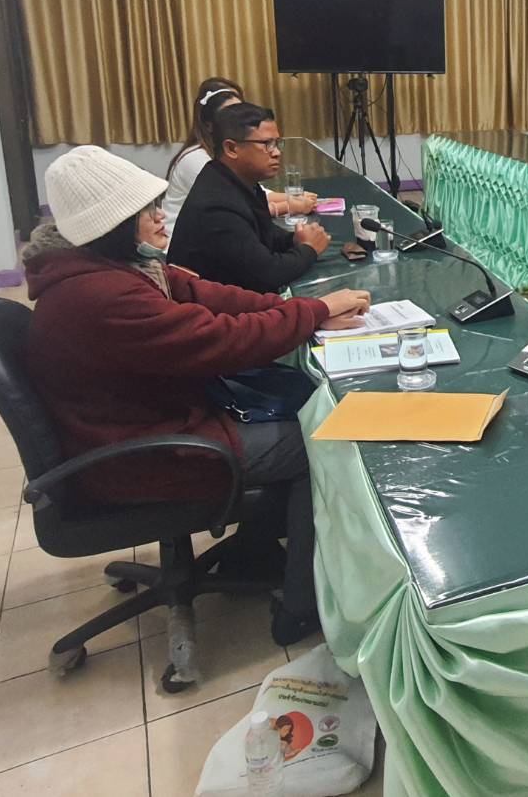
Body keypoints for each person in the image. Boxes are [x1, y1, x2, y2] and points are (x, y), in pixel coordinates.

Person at [22, 146, 371, 644]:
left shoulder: (109, 267)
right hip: (143, 454)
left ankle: (253, 551)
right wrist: (311, 313)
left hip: (151, 420)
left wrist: (302, 310)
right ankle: (302, 604)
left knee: (301, 403)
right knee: (319, 438)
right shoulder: (102, 296)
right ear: (114, 225)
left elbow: (207, 297)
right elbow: (219, 340)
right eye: (146, 211)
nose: (159, 217)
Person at [168, 103, 332, 293]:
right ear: (231, 148)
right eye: (266, 144)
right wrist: (309, 249)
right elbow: (269, 273)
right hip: (212, 307)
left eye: (277, 143)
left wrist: (295, 239)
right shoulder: (217, 206)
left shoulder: (236, 181)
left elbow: (264, 234)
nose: (277, 152)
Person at [163, 77, 316, 234]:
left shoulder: (226, 153)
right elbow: (239, 208)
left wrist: (297, 197)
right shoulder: (195, 160)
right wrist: (289, 205)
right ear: (209, 125)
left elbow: (255, 195)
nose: (238, 119)